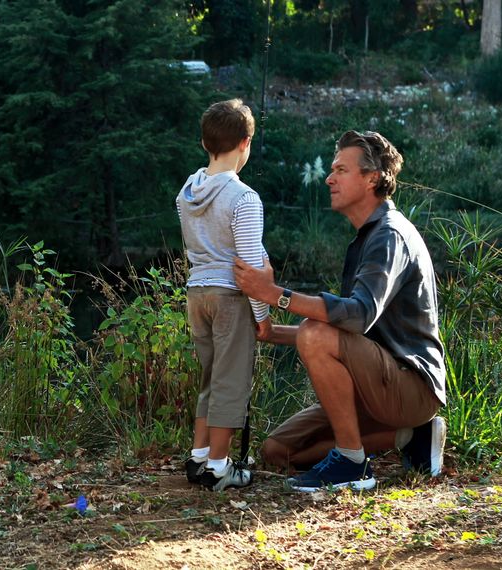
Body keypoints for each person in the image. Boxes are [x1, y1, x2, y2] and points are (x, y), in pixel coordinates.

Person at [233, 130, 446, 492]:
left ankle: (352, 463)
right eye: (332, 170)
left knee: (316, 332)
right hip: (377, 384)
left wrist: (275, 294)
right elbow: (352, 331)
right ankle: (408, 437)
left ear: (372, 178)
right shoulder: (367, 236)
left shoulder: (389, 236)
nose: (329, 178)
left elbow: (358, 315)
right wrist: (272, 332)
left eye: (341, 170)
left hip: (411, 386)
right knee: (278, 450)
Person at [176, 99, 271, 491]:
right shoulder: (244, 199)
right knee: (231, 381)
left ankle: (199, 457)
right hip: (231, 297)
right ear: (245, 143)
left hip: (197, 293)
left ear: (204, 143)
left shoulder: (187, 192)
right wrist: (263, 316)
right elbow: (250, 269)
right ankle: (219, 467)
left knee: (210, 377)